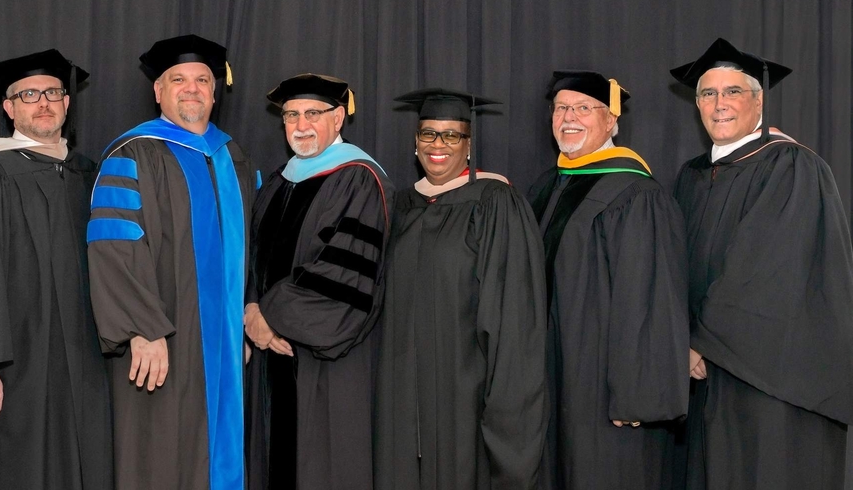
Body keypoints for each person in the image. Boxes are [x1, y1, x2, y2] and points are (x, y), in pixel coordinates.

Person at [670, 38, 853, 489]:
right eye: (708, 93)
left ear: (758, 99)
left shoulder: (792, 166)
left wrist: (698, 341)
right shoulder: (691, 176)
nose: (719, 104)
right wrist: (678, 338)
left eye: (733, 92)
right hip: (705, 379)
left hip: (772, 383)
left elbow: (766, 268)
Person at [87, 34, 252, 490]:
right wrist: (143, 328)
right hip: (164, 336)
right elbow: (114, 246)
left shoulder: (233, 157)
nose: (192, 88)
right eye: (178, 79)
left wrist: (241, 320)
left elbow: (249, 248)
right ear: (158, 90)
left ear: (216, 91)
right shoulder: (133, 153)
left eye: (203, 79)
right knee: (161, 454)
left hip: (222, 339)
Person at [0, 49, 112, 490]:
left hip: (87, 355)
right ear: (9, 108)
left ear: (67, 103)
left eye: (53, 92)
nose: (44, 102)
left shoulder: (88, 173)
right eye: (29, 94)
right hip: (19, 358)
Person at [374, 88, 547, 489]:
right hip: (401, 394)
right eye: (428, 134)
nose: (438, 145)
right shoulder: (400, 205)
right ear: (414, 142)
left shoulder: (495, 202)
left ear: (469, 145)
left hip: (464, 394)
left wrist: (503, 405)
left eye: (452, 136)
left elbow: (513, 314)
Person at [529, 71, 689, 489]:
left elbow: (649, 295)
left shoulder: (636, 194)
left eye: (584, 108)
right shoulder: (549, 184)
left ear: (611, 120)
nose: (569, 117)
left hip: (603, 385)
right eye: (562, 107)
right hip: (551, 375)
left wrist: (637, 393)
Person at [243, 73, 392, 490]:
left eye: (313, 113)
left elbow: (345, 273)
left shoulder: (359, 178)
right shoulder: (278, 181)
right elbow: (253, 257)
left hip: (324, 360)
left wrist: (268, 317)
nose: (300, 125)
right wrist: (251, 309)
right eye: (291, 115)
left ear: (339, 117)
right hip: (271, 352)